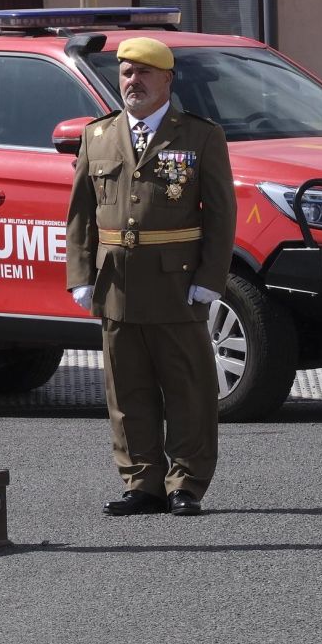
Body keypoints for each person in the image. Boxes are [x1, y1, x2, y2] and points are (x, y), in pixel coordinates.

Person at [66, 36, 236, 517]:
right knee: (126, 388)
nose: (133, 81)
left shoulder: (199, 135)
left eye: (144, 72)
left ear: (167, 79)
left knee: (187, 387)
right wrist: (80, 273)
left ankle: (185, 481)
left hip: (175, 280)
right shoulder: (97, 136)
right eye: (125, 72)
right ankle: (143, 481)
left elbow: (221, 215)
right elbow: (80, 214)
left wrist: (210, 279)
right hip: (116, 280)